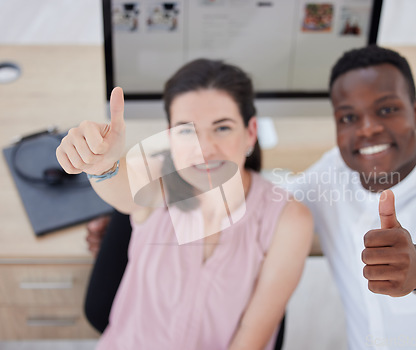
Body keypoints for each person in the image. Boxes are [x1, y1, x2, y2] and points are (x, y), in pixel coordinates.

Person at [56, 59, 313, 350]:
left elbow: (251, 337)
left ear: (250, 132)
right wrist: (103, 166)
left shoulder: (288, 219)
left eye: (222, 128)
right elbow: (120, 185)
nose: (203, 150)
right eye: (186, 131)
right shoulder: (157, 177)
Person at [283, 46, 416, 349]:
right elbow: (272, 202)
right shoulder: (333, 172)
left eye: (386, 110)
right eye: (348, 117)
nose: (367, 129)